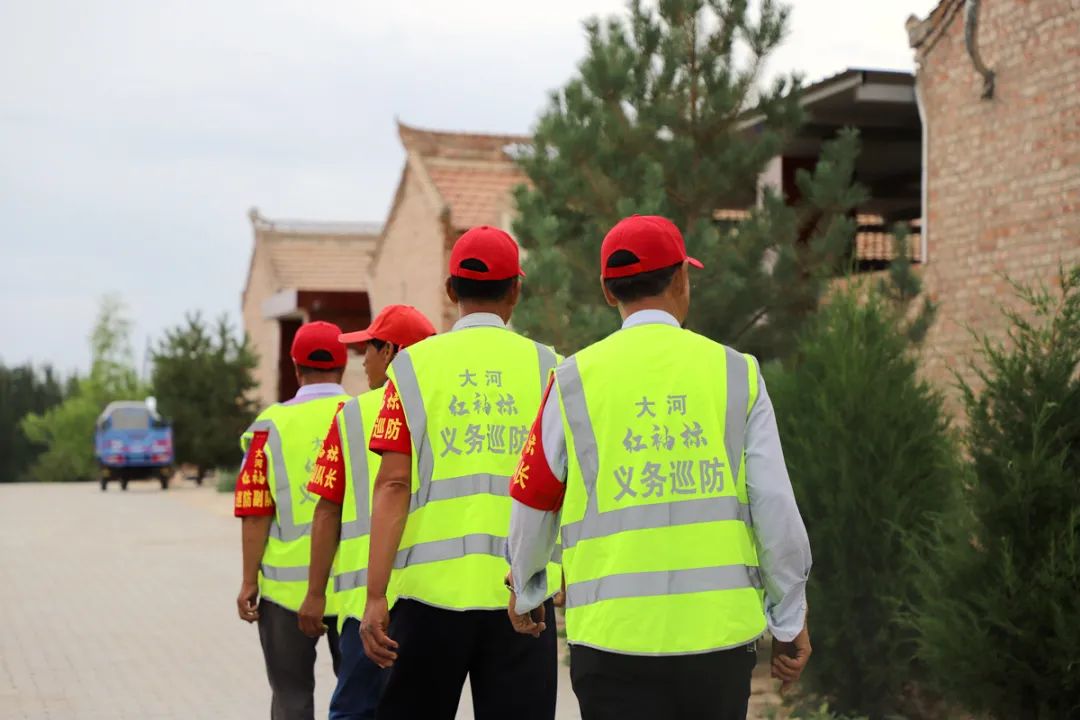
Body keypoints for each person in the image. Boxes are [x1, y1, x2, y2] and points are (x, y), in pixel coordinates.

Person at [505, 215, 813, 720]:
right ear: (680, 280)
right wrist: (789, 616)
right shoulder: (738, 373)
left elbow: (534, 501)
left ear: (608, 292)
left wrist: (527, 586)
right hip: (718, 641)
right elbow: (776, 509)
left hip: (610, 642)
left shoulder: (571, 380)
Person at [360, 226, 562, 720]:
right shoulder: (551, 368)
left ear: (450, 291)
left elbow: (393, 483)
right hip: (522, 599)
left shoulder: (411, 368)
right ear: (517, 287)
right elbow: (565, 490)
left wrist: (374, 594)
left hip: (429, 599)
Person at [298, 305, 436, 720]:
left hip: (365, 606)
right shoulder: (438, 410)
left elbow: (327, 513)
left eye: (369, 350)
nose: (362, 361)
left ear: (391, 352)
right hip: (427, 602)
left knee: (356, 710)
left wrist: (315, 592)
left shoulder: (353, 415)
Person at [234, 320, 350, 720]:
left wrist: (250, 580)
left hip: (286, 593)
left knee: (291, 696)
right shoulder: (363, 416)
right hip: (356, 587)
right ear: (343, 365)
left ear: (296, 367)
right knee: (359, 698)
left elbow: (255, 513)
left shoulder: (270, 427)